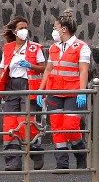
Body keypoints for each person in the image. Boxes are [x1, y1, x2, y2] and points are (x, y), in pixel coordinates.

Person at [0, 16, 46, 171]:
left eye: (26, 27)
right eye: (21, 28)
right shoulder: (8, 48)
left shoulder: (34, 48)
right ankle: (13, 161)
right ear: (14, 31)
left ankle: (36, 152)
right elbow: (2, 70)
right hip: (12, 87)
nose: (24, 30)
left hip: (28, 86)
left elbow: (44, 67)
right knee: (10, 124)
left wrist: (30, 65)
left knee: (27, 122)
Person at [37, 15, 91, 169]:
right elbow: (48, 70)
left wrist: (82, 91)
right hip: (54, 92)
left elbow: (83, 70)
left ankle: (81, 155)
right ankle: (62, 164)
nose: (54, 30)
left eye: (55, 27)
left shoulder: (82, 47)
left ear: (64, 29)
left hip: (73, 93)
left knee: (70, 126)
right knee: (57, 127)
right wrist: (41, 90)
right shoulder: (54, 48)